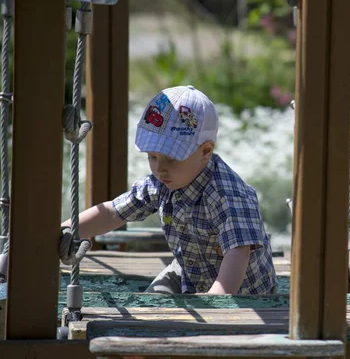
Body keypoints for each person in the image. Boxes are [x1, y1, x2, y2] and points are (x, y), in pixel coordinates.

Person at [60, 85, 277, 295]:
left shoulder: (228, 195)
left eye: (171, 159)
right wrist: (67, 230)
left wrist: (217, 298)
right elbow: (112, 213)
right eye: (152, 157)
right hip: (188, 273)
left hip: (244, 291)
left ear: (206, 151)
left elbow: (238, 252)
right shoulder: (161, 182)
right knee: (151, 303)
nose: (159, 168)